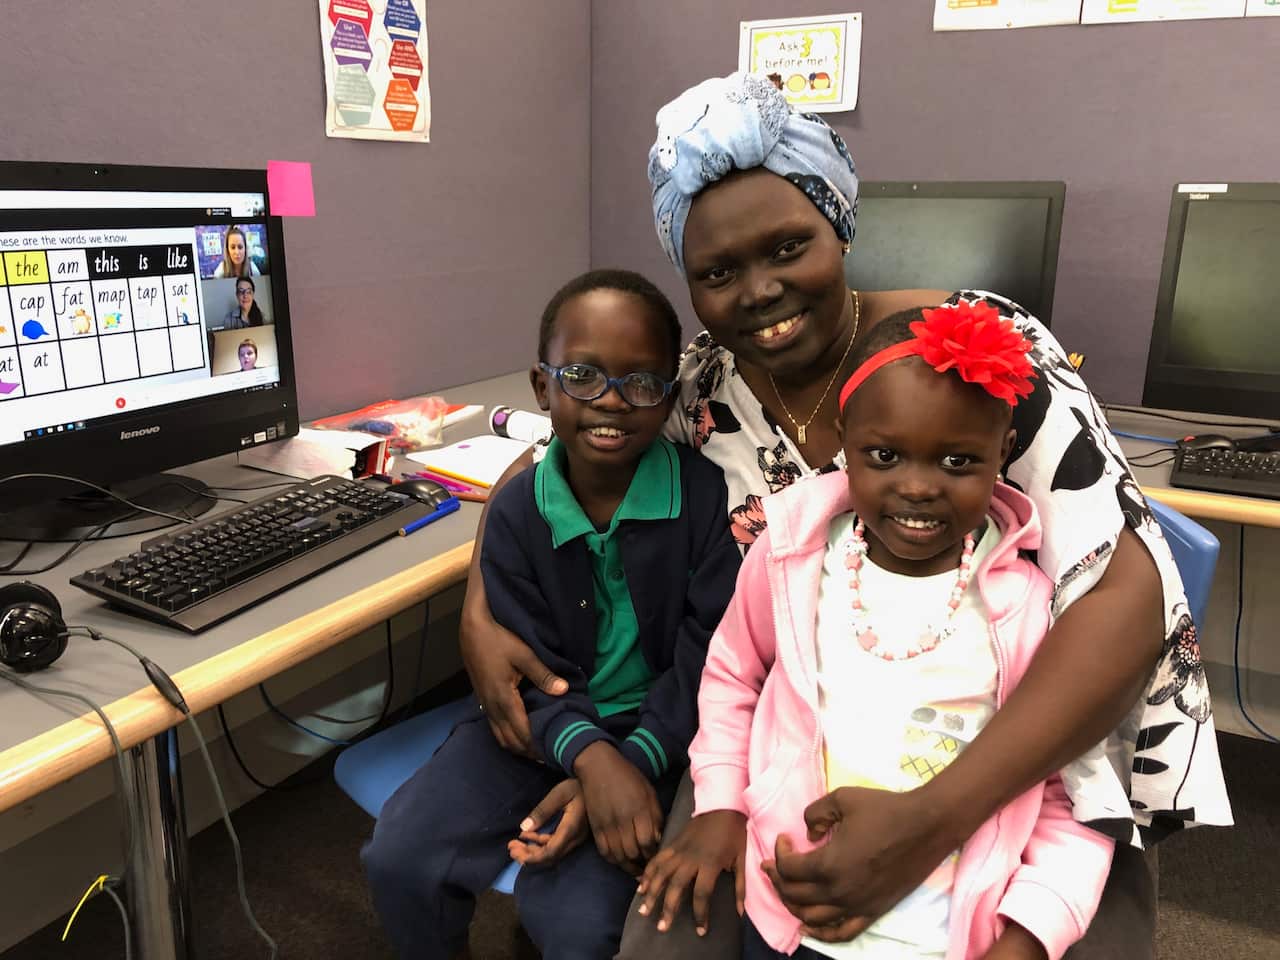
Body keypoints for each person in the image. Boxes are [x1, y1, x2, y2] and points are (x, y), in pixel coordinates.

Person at [458, 72, 1230, 959]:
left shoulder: (971, 351)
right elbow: (543, 453)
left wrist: (930, 821)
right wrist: (482, 605)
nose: (758, 291)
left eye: (789, 247)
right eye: (718, 272)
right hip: (794, 741)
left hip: (1034, 759)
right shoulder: (702, 387)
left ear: (841, 226)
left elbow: (1123, 590)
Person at [645, 305, 1115, 960]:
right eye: (885, 456)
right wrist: (720, 803)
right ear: (846, 441)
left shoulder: (1032, 609)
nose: (917, 488)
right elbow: (731, 679)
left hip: (949, 937)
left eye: (957, 461)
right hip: (791, 911)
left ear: (1002, 453)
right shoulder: (790, 557)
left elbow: (1070, 789)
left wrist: (1033, 930)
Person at [360, 269, 742, 959]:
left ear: (668, 395)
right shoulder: (515, 513)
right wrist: (587, 758)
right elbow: (520, 662)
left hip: (659, 737)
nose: (612, 402)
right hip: (536, 732)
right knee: (401, 857)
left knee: (578, 923)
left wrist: (629, 761)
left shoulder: (705, 498)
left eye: (642, 383)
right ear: (542, 388)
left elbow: (710, 653)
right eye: (583, 376)